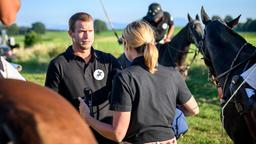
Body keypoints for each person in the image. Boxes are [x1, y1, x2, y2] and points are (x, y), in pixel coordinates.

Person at [79, 21, 199, 143]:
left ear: (126, 44)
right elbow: (193, 109)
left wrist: (87, 118)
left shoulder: (125, 77)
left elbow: (117, 134)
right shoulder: (173, 74)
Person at [45, 12, 121, 144]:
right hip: (74, 137)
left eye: (90, 31)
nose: (87, 36)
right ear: (71, 33)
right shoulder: (58, 64)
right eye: (81, 31)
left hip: (107, 135)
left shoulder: (108, 61)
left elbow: (125, 93)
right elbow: (50, 105)